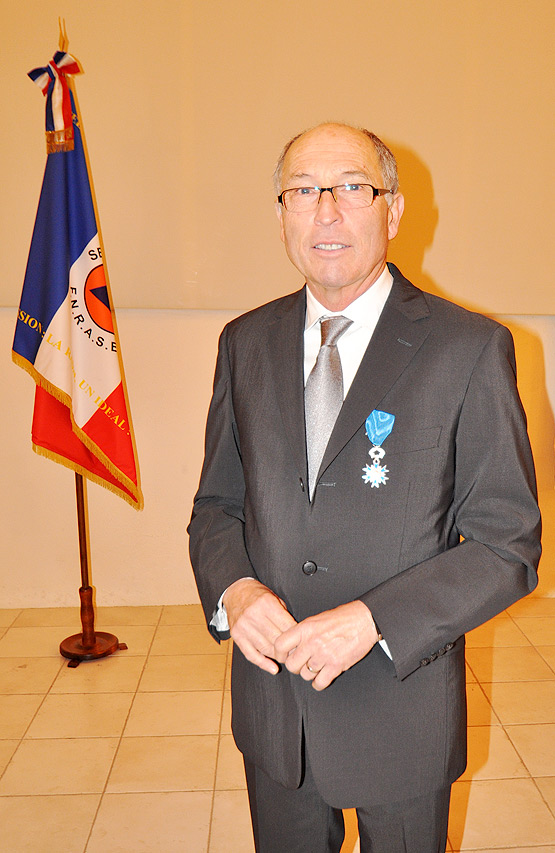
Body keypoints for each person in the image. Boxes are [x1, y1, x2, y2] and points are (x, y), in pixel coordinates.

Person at [188, 122, 541, 853]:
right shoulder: (243, 342)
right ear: (280, 211)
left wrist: (373, 619)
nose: (325, 212)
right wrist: (237, 592)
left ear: (393, 210)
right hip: (274, 711)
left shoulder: (468, 348)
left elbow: (507, 544)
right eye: (302, 191)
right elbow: (216, 508)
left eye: (351, 187)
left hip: (399, 712)